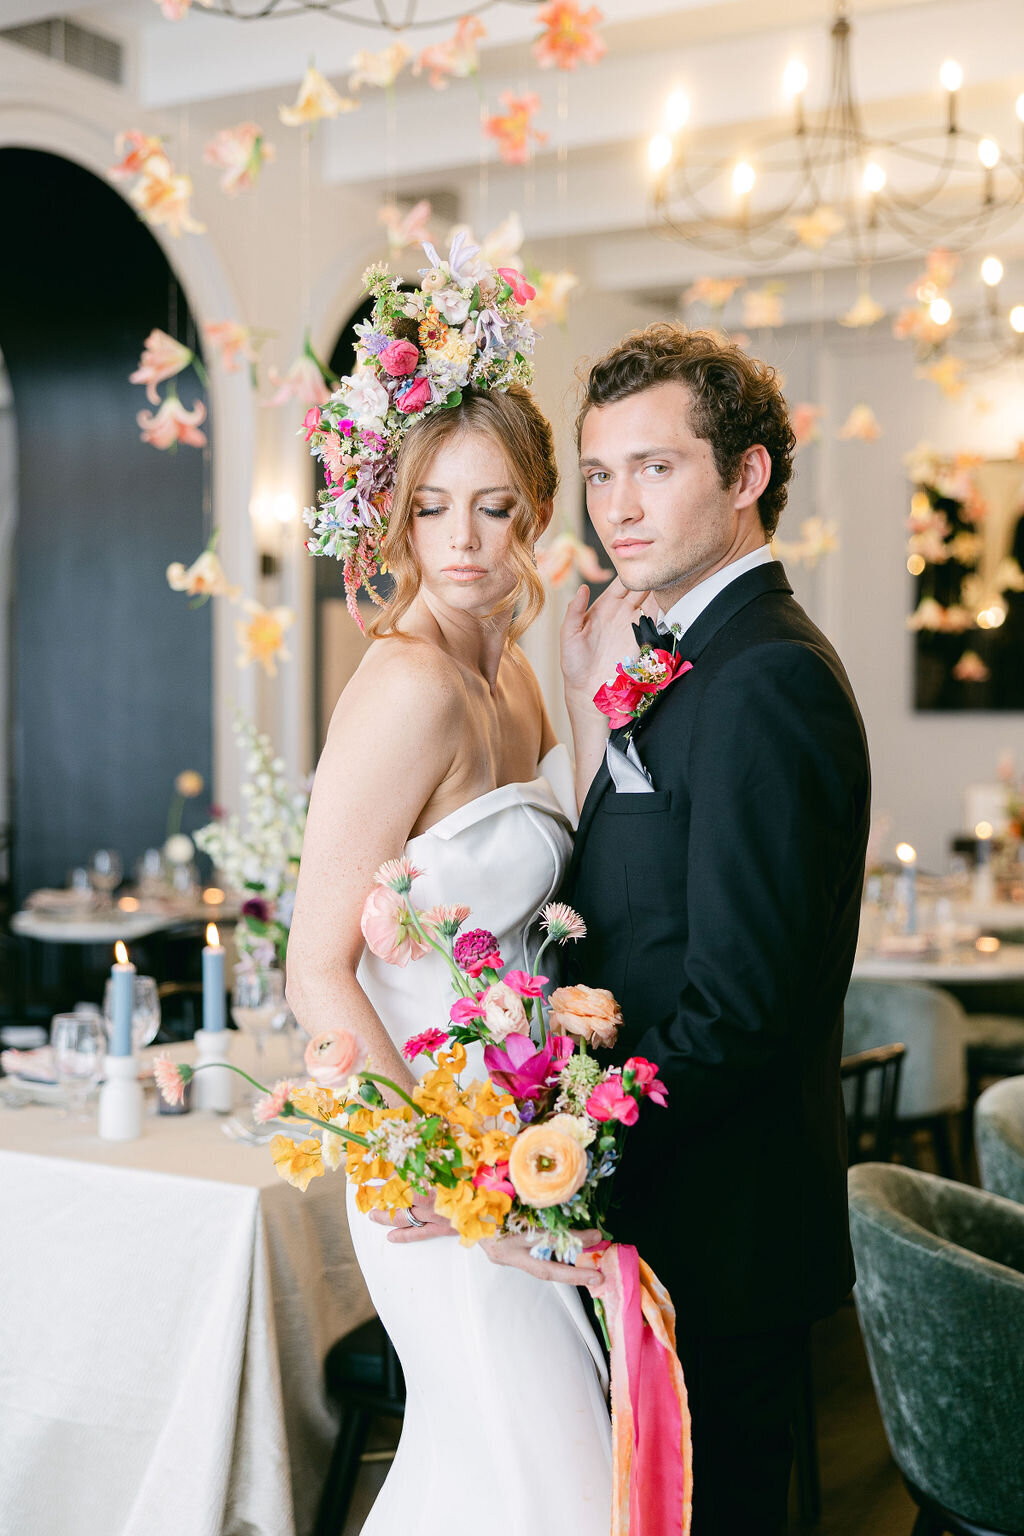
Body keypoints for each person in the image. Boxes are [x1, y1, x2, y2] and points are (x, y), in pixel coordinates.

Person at [286, 245, 612, 1536]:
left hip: (513, 1143)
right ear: (395, 515)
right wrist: (430, 1159)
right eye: (432, 509)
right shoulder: (410, 686)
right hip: (427, 1162)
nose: (463, 544)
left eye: (492, 507)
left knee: (526, 1469)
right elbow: (317, 962)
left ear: (533, 508)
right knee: (549, 1475)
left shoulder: (520, 680)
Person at [559, 323, 871, 1536]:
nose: (615, 508)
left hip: (718, 1228)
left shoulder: (763, 676)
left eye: (655, 467)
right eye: (598, 473)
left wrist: (576, 1146)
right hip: (676, 1217)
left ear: (745, 477)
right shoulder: (690, 655)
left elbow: (738, 1008)